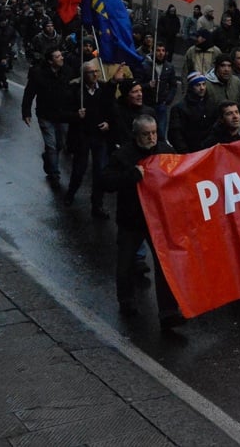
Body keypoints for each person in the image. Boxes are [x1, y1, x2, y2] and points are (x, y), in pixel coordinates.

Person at [101, 115, 185, 329]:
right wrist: (131, 176)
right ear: (136, 135)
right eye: (146, 134)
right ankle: (126, 300)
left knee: (164, 265)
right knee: (126, 263)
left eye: (154, 133)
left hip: (157, 219)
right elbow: (107, 182)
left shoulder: (165, 151)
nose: (151, 137)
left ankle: (168, 311)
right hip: (132, 219)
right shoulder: (122, 156)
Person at [65, 60, 115, 217]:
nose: (95, 75)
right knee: (79, 169)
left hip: (99, 136)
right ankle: (71, 193)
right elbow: (64, 112)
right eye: (91, 72)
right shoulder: (75, 91)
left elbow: (112, 110)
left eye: (96, 72)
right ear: (83, 75)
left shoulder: (103, 90)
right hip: (82, 136)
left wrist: (108, 122)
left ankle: (97, 205)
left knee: (100, 171)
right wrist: (75, 115)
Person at [21, 48, 77, 186]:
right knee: (51, 144)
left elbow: (74, 91)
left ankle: (48, 158)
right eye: (57, 57)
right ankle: (54, 173)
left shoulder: (67, 72)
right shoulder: (38, 74)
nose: (61, 58)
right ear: (50, 61)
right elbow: (29, 93)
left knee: (60, 143)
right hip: (46, 114)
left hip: (63, 114)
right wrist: (26, 112)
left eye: (61, 56)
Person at [137, 44, 177, 142]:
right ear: (153, 52)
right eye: (158, 50)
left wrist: (168, 100)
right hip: (148, 104)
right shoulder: (145, 66)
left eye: (163, 50)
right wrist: (148, 85)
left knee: (161, 132)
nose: (160, 53)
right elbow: (138, 84)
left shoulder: (169, 67)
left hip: (161, 104)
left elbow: (173, 85)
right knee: (146, 131)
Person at [169, 72, 215, 153]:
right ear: (191, 87)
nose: (202, 88)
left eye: (204, 84)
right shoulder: (179, 108)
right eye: (198, 85)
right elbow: (175, 134)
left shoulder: (211, 104)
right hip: (190, 152)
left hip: (208, 151)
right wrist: (185, 152)